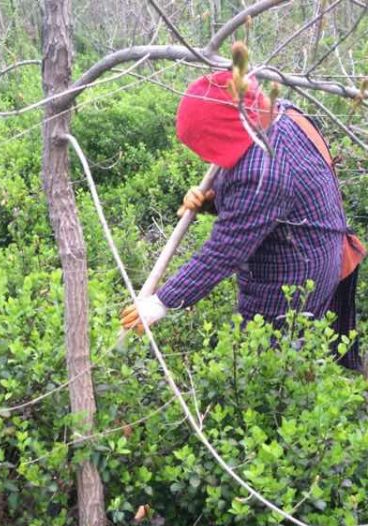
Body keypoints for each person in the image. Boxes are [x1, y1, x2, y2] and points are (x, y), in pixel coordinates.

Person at [120, 70, 365, 370]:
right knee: (286, 351)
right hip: (317, 248)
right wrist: (211, 198)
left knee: (265, 360)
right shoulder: (281, 113)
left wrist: (161, 302)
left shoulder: (263, 172)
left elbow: (222, 253)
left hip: (294, 275)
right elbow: (257, 184)